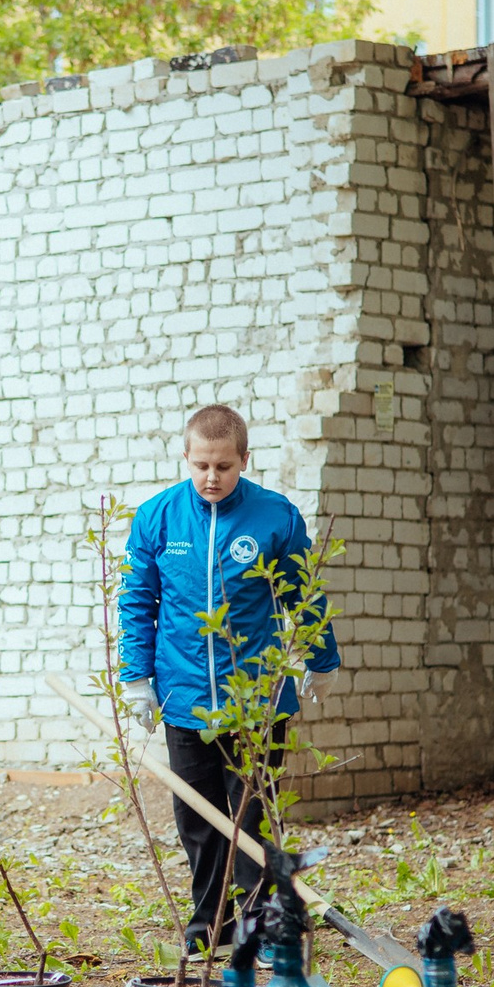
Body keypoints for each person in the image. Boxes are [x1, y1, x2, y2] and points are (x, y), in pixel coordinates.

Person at [117, 404, 340, 953]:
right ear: (186, 458)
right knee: (197, 818)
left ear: (244, 459)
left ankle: (258, 928)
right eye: (201, 466)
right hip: (184, 695)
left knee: (253, 816)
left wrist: (321, 658)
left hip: (256, 699)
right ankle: (208, 927)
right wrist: (136, 678)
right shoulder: (157, 518)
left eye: (223, 466)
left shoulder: (276, 517)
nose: (211, 478)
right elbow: (137, 601)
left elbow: (302, 594)